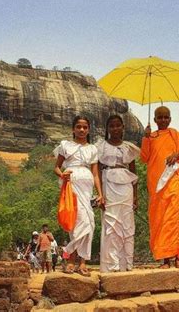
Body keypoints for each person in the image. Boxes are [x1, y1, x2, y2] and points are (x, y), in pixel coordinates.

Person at [140, 106, 179, 268]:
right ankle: (165, 259)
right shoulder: (151, 137)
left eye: (166, 117)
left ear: (170, 119)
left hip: (174, 181)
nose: (163, 120)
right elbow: (144, 158)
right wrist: (145, 138)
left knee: (176, 218)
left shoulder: (178, 137)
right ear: (155, 119)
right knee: (160, 221)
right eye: (160, 117)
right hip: (157, 185)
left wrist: (177, 155)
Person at [54, 115, 104, 276]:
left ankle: (82, 262)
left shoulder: (93, 149)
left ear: (88, 130)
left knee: (89, 223)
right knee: (76, 221)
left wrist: (100, 194)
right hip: (71, 185)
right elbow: (56, 167)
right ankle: (70, 261)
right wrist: (62, 175)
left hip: (87, 185)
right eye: (78, 127)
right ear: (73, 129)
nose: (82, 130)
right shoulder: (65, 145)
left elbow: (96, 174)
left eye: (85, 127)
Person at [97, 115, 140, 272]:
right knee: (111, 223)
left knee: (127, 224)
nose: (115, 128)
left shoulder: (129, 147)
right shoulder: (101, 146)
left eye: (118, 125)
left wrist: (136, 196)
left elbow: (134, 173)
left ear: (123, 127)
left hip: (126, 187)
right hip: (108, 184)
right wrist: (100, 194)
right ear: (108, 129)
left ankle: (126, 265)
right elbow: (96, 170)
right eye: (112, 126)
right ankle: (111, 265)